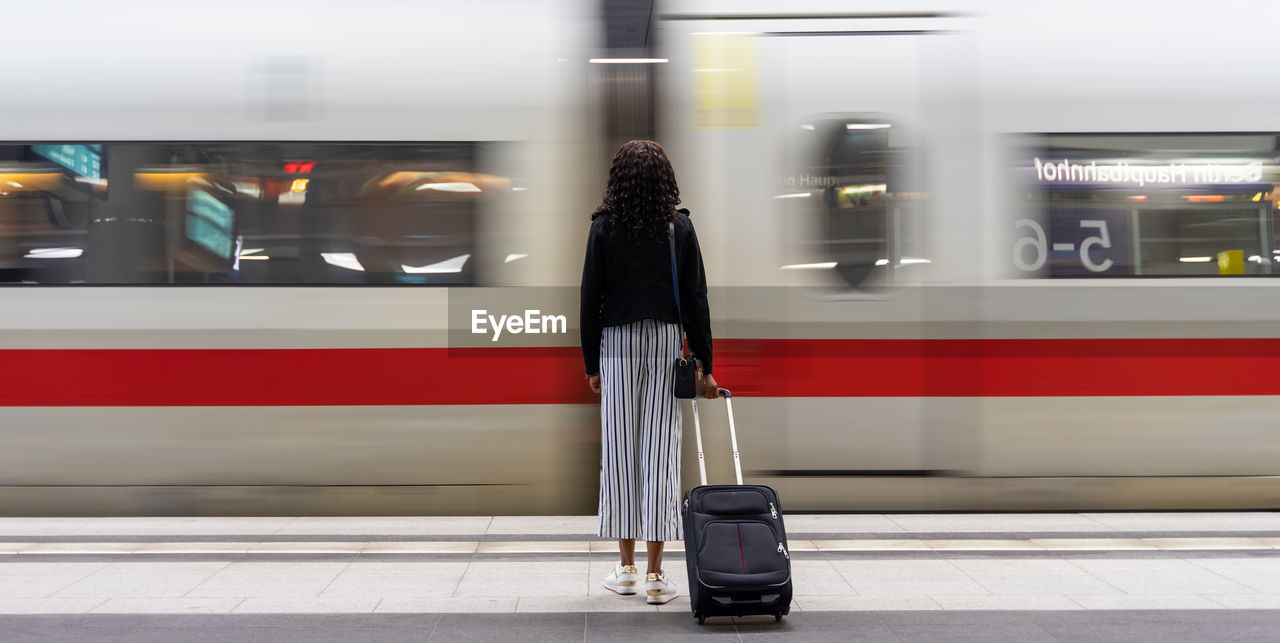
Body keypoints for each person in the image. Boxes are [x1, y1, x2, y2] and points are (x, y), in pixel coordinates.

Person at [580, 140, 718, 605]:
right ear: (666, 179)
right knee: (660, 453)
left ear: (618, 179)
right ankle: (657, 577)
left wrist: (591, 364)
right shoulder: (678, 227)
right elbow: (697, 298)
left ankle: (625, 570)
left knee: (620, 454)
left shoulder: (604, 228)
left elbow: (589, 299)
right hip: (664, 344)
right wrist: (706, 363)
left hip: (616, 345)